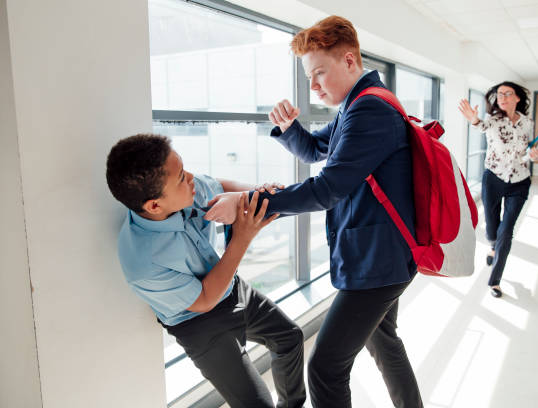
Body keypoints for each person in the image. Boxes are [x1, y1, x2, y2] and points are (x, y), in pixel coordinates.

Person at [204, 16, 423, 408]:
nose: (313, 86)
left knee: (324, 368)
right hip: (383, 255)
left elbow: (327, 189)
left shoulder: (369, 110)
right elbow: (316, 151)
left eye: (319, 72)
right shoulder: (355, 105)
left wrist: (246, 203)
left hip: (377, 263)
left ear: (350, 61)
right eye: (309, 77)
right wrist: (290, 128)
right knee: (385, 342)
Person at [105, 134, 306, 408]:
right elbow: (204, 300)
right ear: (154, 205)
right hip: (198, 323)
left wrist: (257, 194)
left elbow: (221, 188)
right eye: (180, 178)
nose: (190, 178)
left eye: (184, 168)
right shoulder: (143, 263)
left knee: (290, 337)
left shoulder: (186, 188)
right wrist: (242, 238)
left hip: (232, 289)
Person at [459, 82, 538, 298]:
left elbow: (528, 148)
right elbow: (480, 125)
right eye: (499, 94)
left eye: (507, 94)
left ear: (517, 98)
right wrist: (474, 119)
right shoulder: (493, 121)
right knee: (492, 228)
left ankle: (494, 281)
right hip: (493, 179)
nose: (502, 97)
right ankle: (493, 245)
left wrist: (533, 153)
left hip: (520, 181)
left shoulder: (527, 123)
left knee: (507, 231)